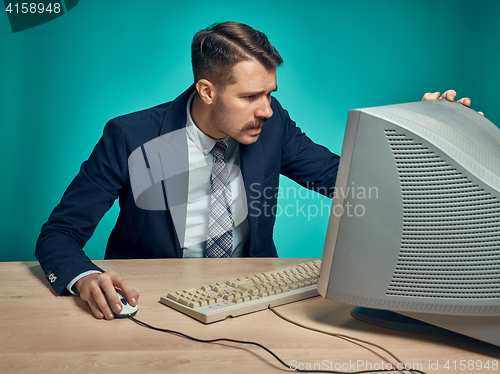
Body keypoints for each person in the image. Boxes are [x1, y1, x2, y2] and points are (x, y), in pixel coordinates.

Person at [35, 21, 476, 320]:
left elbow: (346, 183)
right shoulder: (131, 136)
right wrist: (85, 276)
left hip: (252, 303)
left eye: (271, 93)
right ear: (206, 90)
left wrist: (424, 138)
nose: (267, 109)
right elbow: (58, 233)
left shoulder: (273, 123)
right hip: (152, 306)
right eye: (250, 97)